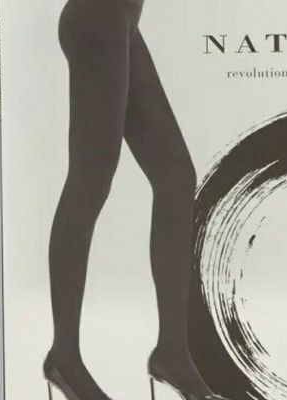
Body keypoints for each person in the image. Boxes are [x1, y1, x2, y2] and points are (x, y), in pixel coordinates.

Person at [43, 1, 227, 400]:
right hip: (97, 20)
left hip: (119, 23)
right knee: (90, 180)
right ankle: (64, 357)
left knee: (175, 177)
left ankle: (173, 353)